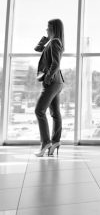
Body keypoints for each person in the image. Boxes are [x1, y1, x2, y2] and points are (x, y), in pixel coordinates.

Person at [34, 19, 65, 157]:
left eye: (48, 27)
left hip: (52, 82)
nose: (46, 29)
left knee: (39, 111)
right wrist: (45, 38)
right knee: (55, 113)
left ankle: (46, 142)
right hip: (57, 82)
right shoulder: (52, 41)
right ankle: (55, 141)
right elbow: (37, 49)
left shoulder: (55, 42)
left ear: (53, 28)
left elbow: (56, 63)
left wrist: (47, 78)